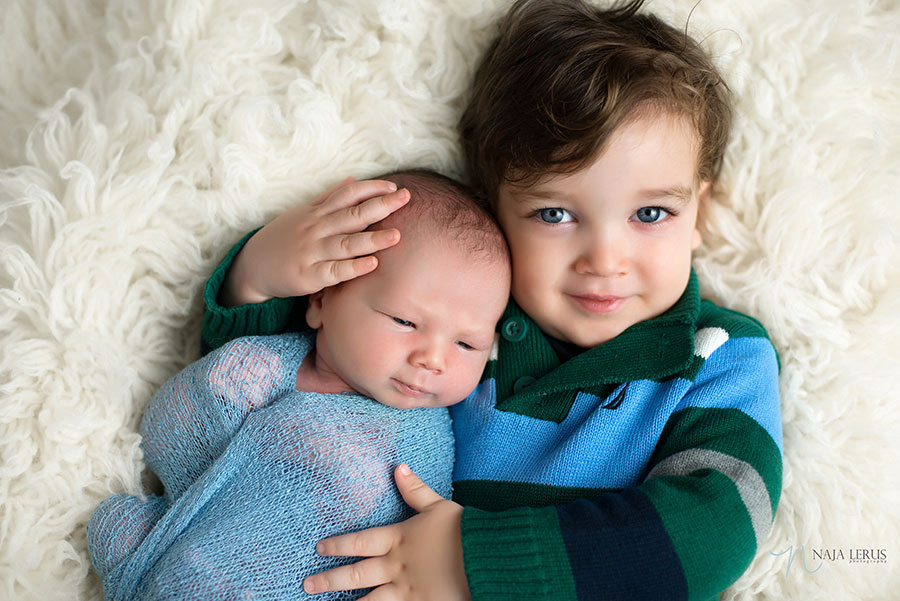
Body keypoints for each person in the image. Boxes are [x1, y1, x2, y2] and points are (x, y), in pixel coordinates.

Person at [200, 1, 783, 600]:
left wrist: (470, 559)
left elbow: (715, 530)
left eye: (651, 213)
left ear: (699, 215)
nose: (605, 260)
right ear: (495, 210)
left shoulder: (716, 356)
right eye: (555, 214)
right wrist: (260, 277)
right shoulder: (459, 326)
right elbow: (270, 380)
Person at [86, 170, 511, 600]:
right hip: (195, 553)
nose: (433, 359)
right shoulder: (262, 363)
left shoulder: (424, 443)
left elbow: (410, 544)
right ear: (321, 300)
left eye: (467, 343)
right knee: (113, 526)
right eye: (405, 321)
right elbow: (176, 420)